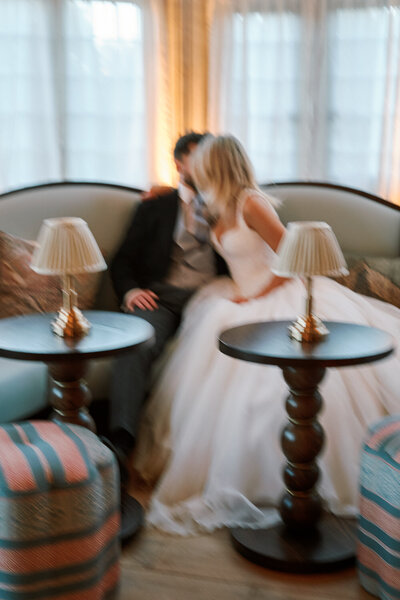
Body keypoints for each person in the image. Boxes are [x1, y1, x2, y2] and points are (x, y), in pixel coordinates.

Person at [133, 134, 400, 535]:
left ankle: (301, 480)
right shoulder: (211, 204)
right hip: (237, 296)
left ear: (218, 166)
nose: (195, 171)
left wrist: (258, 295)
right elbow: (182, 202)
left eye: (202, 164)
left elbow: (291, 255)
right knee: (216, 367)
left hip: (281, 294)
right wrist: (158, 192)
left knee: (275, 385)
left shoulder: (251, 203)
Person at [106, 132, 229, 475]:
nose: (206, 164)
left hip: (212, 296)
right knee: (136, 344)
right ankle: (121, 443)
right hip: (160, 297)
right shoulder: (154, 206)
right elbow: (123, 260)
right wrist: (130, 291)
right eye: (197, 157)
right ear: (179, 163)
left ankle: (209, 456)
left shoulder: (227, 202)